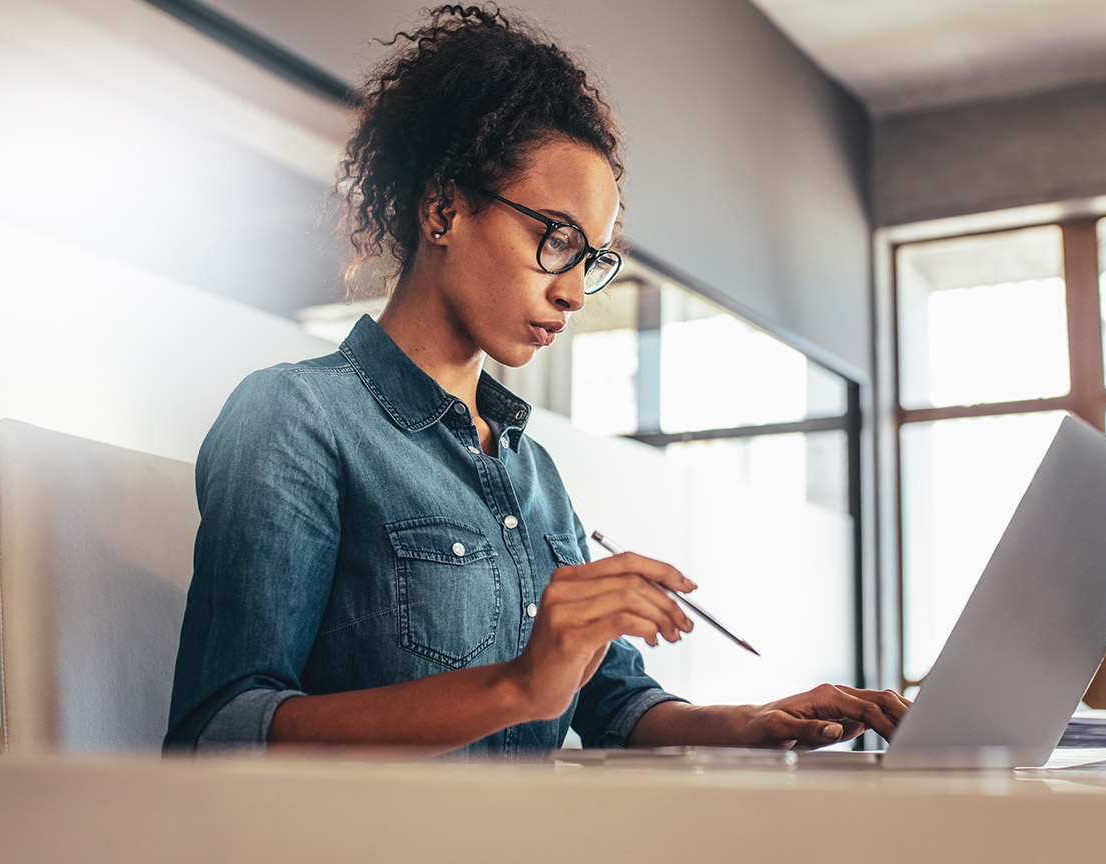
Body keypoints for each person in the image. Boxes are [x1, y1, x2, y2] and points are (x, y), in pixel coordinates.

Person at [165, 4, 906, 757]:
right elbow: (218, 733)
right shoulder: (295, 417)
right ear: (443, 207)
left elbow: (616, 704)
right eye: (555, 240)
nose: (576, 293)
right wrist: (517, 687)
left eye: (593, 259)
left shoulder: (533, 474)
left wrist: (751, 723)